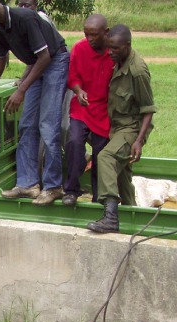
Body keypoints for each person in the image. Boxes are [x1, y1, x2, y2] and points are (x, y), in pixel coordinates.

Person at [0, 0, 70, 206]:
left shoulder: (24, 18)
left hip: (55, 61)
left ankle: (53, 187)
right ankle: (28, 184)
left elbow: (45, 57)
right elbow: (0, 59)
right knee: (26, 124)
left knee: (48, 125)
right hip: (36, 63)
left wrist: (21, 90)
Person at [87, 24, 156, 234]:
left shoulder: (137, 71)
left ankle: (111, 217)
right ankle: (131, 215)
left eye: (115, 49)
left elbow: (148, 110)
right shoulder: (118, 61)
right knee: (122, 176)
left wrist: (138, 141)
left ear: (128, 45)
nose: (110, 52)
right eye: (109, 48)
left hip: (132, 128)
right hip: (117, 127)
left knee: (106, 157)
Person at [62, 14, 115, 207]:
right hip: (83, 107)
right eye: (86, 34)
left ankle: (98, 194)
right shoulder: (79, 48)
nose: (90, 39)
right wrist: (78, 89)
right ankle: (71, 189)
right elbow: (73, 77)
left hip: (105, 110)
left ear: (106, 33)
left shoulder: (114, 51)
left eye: (94, 35)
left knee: (101, 153)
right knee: (74, 142)